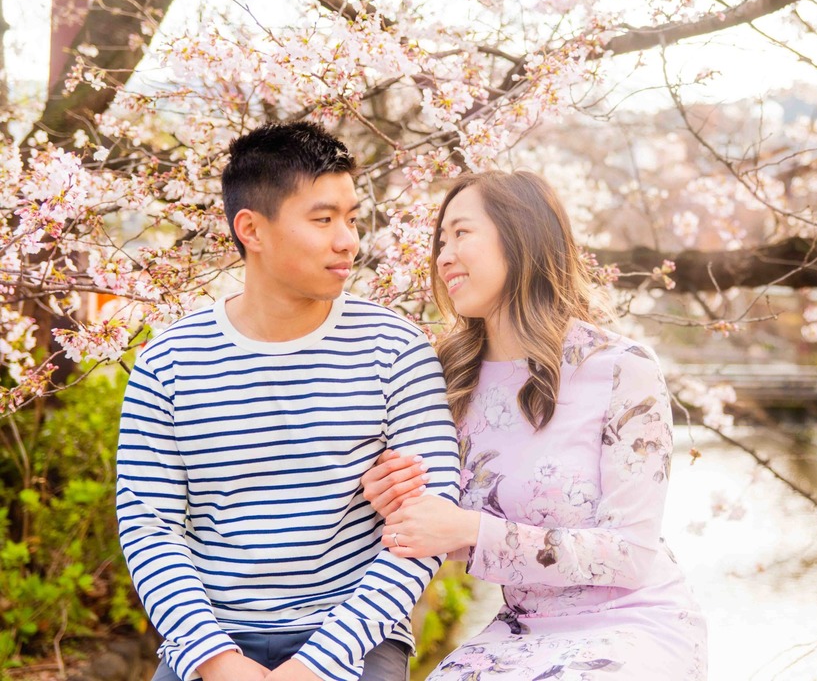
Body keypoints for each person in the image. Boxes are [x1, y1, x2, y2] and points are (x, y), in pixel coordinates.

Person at [115, 122, 460, 681]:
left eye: (350, 218)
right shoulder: (168, 363)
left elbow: (429, 516)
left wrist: (316, 664)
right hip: (211, 641)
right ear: (250, 228)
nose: (348, 240)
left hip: (356, 638)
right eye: (323, 220)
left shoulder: (395, 348)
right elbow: (147, 525)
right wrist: (218, 660)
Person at [362, 169, 708, 679]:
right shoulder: (448, 380)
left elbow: (631, 554)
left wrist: (472, 531)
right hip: (521, 627)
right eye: (440, 240)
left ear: (520, 235)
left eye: (461, 233)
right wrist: (391, 494)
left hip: (630, 624)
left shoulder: (620, 368)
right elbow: (444, 525)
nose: (443, 256)